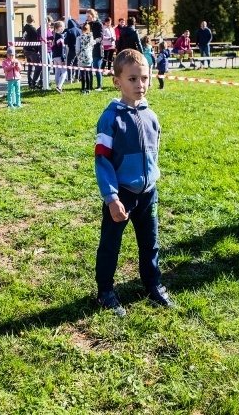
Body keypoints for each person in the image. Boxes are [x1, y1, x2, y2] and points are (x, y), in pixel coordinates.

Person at [94, 49, 175, 317]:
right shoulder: (110, 119)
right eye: (132, 79)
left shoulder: (151, 116)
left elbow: (154, 151)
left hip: (148, 193)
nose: (140, 85)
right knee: (111, 244)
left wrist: (151, 179)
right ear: (117, 81)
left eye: (144, 78)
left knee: (150, 242)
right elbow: (102, 161)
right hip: (122, 196)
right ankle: (105, 292)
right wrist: (111, 197)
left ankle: (153, 284)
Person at [22, 14, 42, 90]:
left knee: (30, 66)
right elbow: (36, 41)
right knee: (38, 67)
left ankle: (30, 82)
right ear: (33, 20)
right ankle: (34, 82)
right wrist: (38, 49)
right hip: (32, 50)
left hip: (26, 49)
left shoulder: (25, 28)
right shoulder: (33, 30)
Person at [86, 9, 105, 91]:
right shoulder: (88, 24)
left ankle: (99, 86)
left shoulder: (99, 24)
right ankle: (89, 85)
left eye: (89, 16)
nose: (87, 18)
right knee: (89, 68)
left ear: (93, 15)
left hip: (97, 49)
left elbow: (101, 37)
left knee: (97, 67)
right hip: (89, 50)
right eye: (86, 16)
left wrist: (94, 41)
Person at [77, 22, 96, 94]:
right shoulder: (91, 37)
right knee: (88, 73)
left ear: (82, 29)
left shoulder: (79, 38)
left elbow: (77, 49)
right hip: (88, 56)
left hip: (81, 56)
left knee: (83, 73)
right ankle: (88, 88)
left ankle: (82, 88)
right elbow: (92, 46)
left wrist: (78, 55)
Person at [64, 17, 82, 84]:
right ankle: (77, 78)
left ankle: (69, 79)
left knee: (69, 64)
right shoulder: (79, 30)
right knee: (77, 64)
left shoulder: (69, 30)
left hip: (71, 49)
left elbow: (66, 41)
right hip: (79, 49)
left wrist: (64, 39)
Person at [51, 20, 67, 93]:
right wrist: (63, 59)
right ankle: (59, 86)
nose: (63, 28)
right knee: (64, 72)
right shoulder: (60, 36)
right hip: (59, 56)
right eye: (63, 27)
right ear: (60, 27)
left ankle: (57, 85)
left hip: (54, 55)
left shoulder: (54, 35)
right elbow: (61, 48)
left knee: (57, 71)